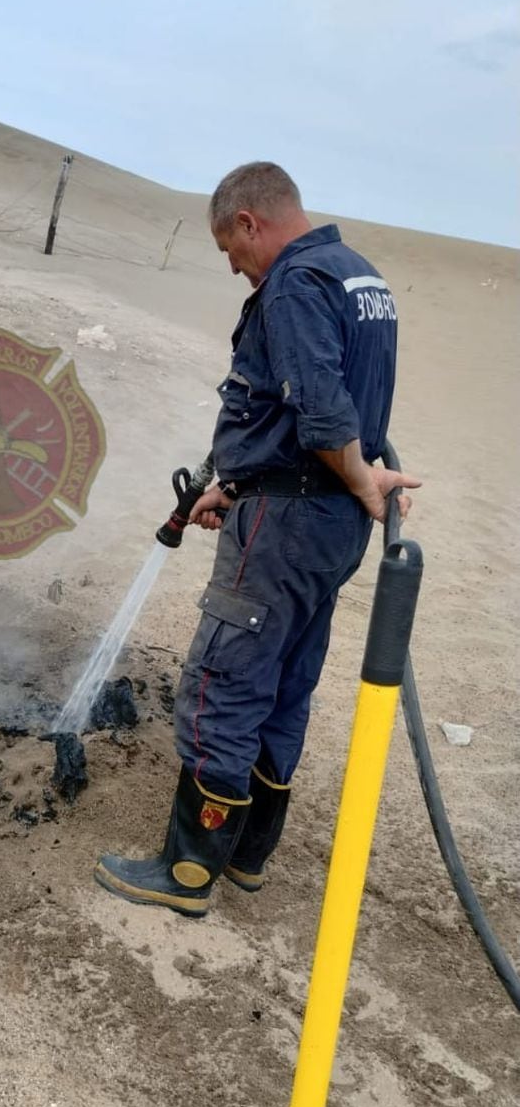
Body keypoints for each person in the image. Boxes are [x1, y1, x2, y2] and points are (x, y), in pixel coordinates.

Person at [95, 161, 420, 918]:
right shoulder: (358, 276)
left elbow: (320, 410)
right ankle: (247, 855)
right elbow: (304, 419)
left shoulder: (294, 285)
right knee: (286, 675)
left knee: (225, 677)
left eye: (228, 250)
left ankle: (186, 872)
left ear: (249, 222)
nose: (233, 267)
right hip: (320, 525)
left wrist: (360, 480)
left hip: (287, 526)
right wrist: (234, 485)